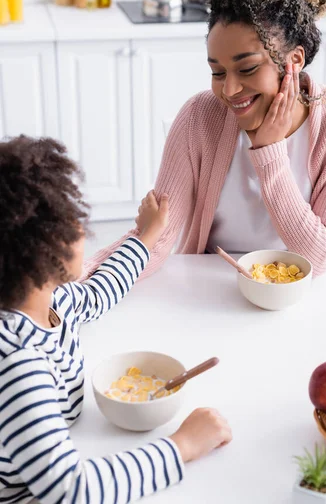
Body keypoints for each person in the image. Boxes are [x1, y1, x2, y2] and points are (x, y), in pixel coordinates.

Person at [82, 0, 326, 281]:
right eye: (217, 72)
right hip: (207, 288)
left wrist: (269, 151)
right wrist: (70, 283)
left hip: (292, 301)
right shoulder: (200, 117)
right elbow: (157, 239)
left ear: (294, 60)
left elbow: (319, 257)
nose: (230, 90)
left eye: (247, 69)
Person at [0, 135, 232, 504]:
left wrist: (147, 236)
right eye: (74, 220)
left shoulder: (51, 300)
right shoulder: (20, 364)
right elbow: (71, 490)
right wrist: (182, 446)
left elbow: (100, 291)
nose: (83, 232)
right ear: (45, 248)